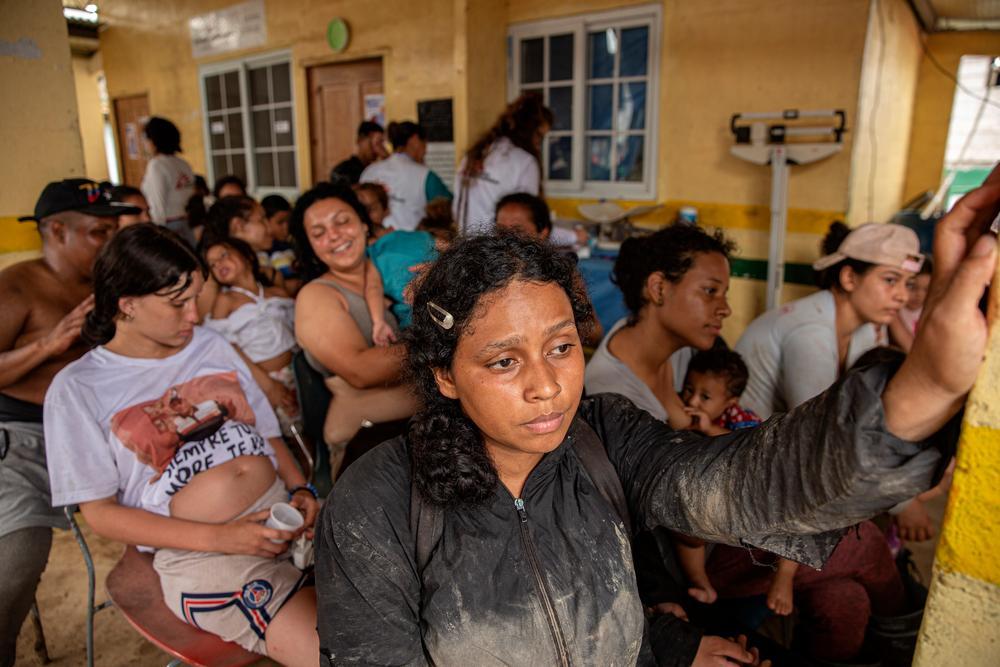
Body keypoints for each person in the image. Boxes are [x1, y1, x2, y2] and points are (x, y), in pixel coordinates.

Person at [314, 160, 997, 664]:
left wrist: (925, 385)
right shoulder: (377, 504)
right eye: (503, 361)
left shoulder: (603, 438)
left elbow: (746, 487)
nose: (548, 386)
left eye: (560, 347)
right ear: (445, 375)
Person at [43, 224, 319, 665]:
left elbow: (266, 435)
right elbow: (101, 515)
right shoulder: (78, 388)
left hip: (283, 518)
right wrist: (223, 537)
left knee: (387, 599)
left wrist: (302, 491)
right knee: (339, 648)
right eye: (177, 304)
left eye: (196, 297)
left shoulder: (210, 344)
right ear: (126, 304)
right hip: (203, 554)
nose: (194, 315)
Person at [0, 179, 136, 666]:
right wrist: (47, 345)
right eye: (99, 232)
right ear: (56, 230)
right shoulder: (17, 285)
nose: (110, 242)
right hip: (26, 438)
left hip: (113, 433)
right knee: (17, 556)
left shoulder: (112, 282)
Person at [292, 183, 419, 482]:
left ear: (364, 224)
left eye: (342, 221)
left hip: (427, 428)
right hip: (370, 445)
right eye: (319, 232)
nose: (334, 235)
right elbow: (361, 370)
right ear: (310, 245)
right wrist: (448, 335)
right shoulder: (317, 296)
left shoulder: (394, 270)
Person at [735, 221, 923, 420]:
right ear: (849, 277)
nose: (902, 295)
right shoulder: (809, 331)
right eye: (890, 280)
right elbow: (813, 424)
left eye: (908, 284)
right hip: (747, 440)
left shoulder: (868, 328)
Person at [585, 224, 732, 430]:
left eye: (724, 294)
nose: (726, 309)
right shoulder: (611, 399)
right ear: (658, 288)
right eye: (710, 290)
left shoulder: (678, 348)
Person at [201, 236, 300, 436]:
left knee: (308, 427)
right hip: (264, 380)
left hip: (298, 372)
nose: (218, 264)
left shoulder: (276, 292)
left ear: (247, 256)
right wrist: (268, 384)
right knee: (287, 434)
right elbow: (226, 348)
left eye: (223, 255)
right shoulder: (225, 300)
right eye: (212, 264)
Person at [454, 93, 553, 234]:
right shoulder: (524, 162)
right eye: (540, 136)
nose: (539, 145)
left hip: (466, 246)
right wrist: (574, 236)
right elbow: (528, 223)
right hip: (497, 249)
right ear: (530, 131)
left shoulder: (474, 155)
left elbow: (456, 209)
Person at [359, 121, 451, 232]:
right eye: (425, 144)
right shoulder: (425, 175)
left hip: (375, 243)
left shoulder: (369, 171)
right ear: (415, 140)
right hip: (414, 243)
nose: (425, 151)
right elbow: (448, 210)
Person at [140, 116, 196, 245]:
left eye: (146, 137)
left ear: (153, 140)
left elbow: (157, 205)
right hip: (186, 225)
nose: (144, 142)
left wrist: (155, 235)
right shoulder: (183, 164)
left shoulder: (157, 165)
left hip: (167, 226)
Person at [260, 194, 302, 295]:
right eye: (280, 223)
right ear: (265, 222)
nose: (286, 227)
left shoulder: (293, 246)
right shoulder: (262, 252)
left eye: (288, 221)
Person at [329, 120, 388, 186]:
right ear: (359, 140)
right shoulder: (342, 170)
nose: (375, 148)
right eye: (373, 142)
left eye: (380, 143)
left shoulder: (378, 170)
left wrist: (387, 159)